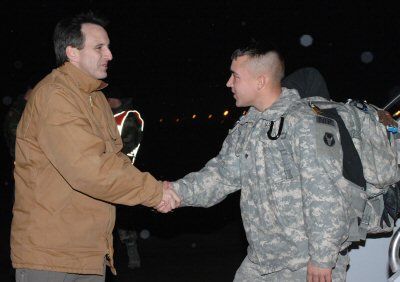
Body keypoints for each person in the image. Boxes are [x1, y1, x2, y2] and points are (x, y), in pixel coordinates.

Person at [10, 11, 180, 282]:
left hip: (88, 252)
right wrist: (153, 192)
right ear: (72, 53)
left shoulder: (96, 98)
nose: (110, 54)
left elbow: (114, 159)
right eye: (99, 47)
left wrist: (159, 187)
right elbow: (89, 169)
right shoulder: (56, 96)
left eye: (109, 47)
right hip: (51, 255)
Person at [162, 43, 351, 281]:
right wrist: (174, 193)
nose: (228, 83)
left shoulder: (304, 121)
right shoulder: (247, 126)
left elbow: (326, 191)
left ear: (260, 81)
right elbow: (221, 176)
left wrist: (322, 258)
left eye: (235, 76)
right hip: (262, 260)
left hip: (304, 262)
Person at [103, 85, 144, 269]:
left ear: (114, 99)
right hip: (105, 174)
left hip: (123, 174)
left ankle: (132, 252)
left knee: (124, 216)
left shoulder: (128, 118)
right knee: (104, 216)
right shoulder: (105, 116)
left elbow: (128, 147)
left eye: (109, 98)